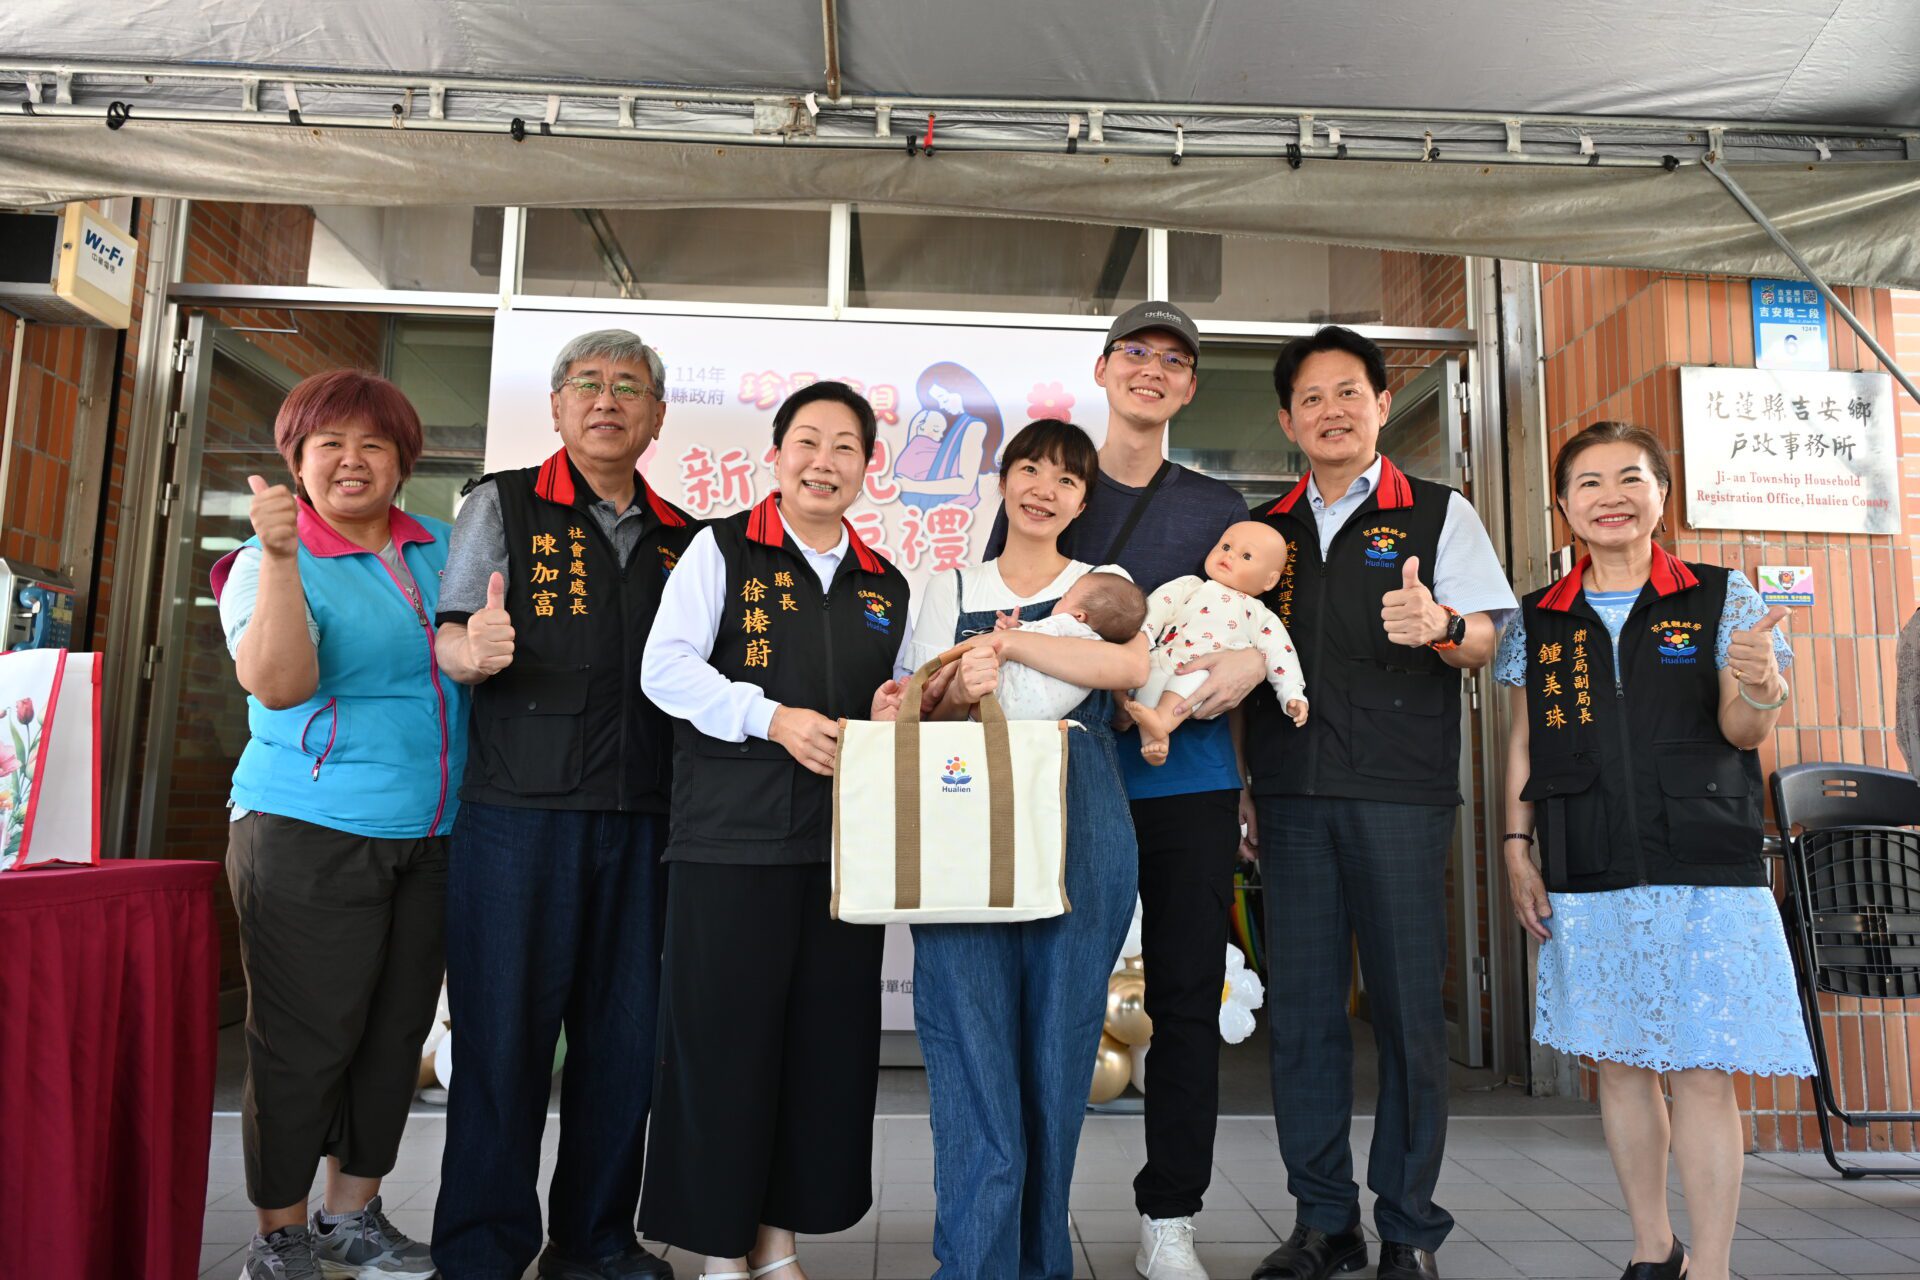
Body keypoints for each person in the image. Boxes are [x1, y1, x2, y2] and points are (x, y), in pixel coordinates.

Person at [984, 302, 1266, 1280]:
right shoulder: (1054, 484)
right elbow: (1002, 617)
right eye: (1136, 353)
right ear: (1102, 371)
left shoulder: (1218, 508)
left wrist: (1246, 710)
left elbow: (1251, 638)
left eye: (1174, 360)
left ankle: (1170, 1215)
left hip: (1189, 778)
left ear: (1189, 387)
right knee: (1048, 998)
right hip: (1064, 773)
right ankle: (1030, 1206)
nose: (1153, 370)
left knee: (1188, 995)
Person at [1500, 420, 1813, 1280]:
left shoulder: (1723, 596)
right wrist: (1515, 845)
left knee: (1705, 1070)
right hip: (1588, 859)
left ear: (1662, 496)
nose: (1611, 497)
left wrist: (1762, 682)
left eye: (1631, 478)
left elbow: (1743, 727)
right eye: (1589, 483)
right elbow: (1526, 741)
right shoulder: (1539, 617)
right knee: (1623, 1067)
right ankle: (1652, 1248)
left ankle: (1709, 1266)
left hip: (1704, 860)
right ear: (1564, 506)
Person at [1246, 325, 1516, 1280]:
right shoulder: (1262, 531)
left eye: (1348, 392)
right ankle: (1325, 1222)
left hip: (1400, 792)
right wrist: (1246, 782)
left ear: (1381, 403)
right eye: (1311, 397)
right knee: (1306, 1016)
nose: (1331, 410)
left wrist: (1443, 624)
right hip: (1289, 794)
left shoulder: (1438, 512)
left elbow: (1495, 640)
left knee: (1406, 1013)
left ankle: (1407, 1225)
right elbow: (1233, 657)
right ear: (1288, 418)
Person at [431, 329, 695, 1280]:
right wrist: (475, 651)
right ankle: (482, 1249)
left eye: (630, 387)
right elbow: (452, 636)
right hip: (519, 820)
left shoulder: (687, 538)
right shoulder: (499, 504)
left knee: (624, 1045)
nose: (607, 400)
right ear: (556, 405)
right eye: (587, 383)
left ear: (658, 416)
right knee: (502, 1042)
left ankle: (593, 1243)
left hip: (651, 820)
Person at [637, 381, 913, 1280]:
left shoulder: (886, 583)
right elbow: (664, 668)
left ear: (868, 469)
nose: (823, 461)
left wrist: (893, 710)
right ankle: (721, 1250)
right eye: (807, 441)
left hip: (842, 856)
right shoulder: (721, 550)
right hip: (730, 842)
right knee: (723, 1048)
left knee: (819, 1053)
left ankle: (777, 1248)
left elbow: (900, 698)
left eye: (844, 447)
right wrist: (771, 717)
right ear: (776, 455)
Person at [211, 369, 468, 1280]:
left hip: (434, 832)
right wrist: (282, 560)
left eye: (374, 445)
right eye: (330, 445)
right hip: (306, 828)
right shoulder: (265, 560)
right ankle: (279, 1234)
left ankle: (350, 1216)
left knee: (395, 1032)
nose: (352, 461)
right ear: (297, 460)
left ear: (403, 462)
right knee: (303, 1036)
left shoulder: (443, 544)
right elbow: (277, 683)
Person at [907, 417, 1149, 1278]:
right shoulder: (949, 582)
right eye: (1031, 470)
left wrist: (1004, 641)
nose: (1045, 489)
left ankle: (1039, 1261)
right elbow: (914, 701)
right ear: (1003, 480)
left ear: (1084, 500)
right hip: (966, 817)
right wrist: (954, 686)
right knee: (972, 1043)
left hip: (1080, 821)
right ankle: (975, 1264)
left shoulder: (1104, 582)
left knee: (1057, 1052)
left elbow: (1127, 671)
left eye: (1068, 480)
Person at [1124, 520, 1309, 765]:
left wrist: (1293, 693)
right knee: (1149, 680)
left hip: (1208, 675)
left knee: (1194, 681)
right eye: (1225, 546)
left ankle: (1162, 723)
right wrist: (1141, 639)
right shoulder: (1190, 586)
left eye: (1246, 555)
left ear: (1269, 581)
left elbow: (1281, 654)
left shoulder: (1260, 615)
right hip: (1166, 658)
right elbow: (1157, 606)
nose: (1230, 555)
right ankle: (1155, 740)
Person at [987, 568, 1148, 719]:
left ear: (1079, 616)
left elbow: (1034, 638)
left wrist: (1014, 631)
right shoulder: (1099, 648)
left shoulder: (1066, 622)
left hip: (1011, 695)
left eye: (1064, 596)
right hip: (1036, 716)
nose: (1060, 599)